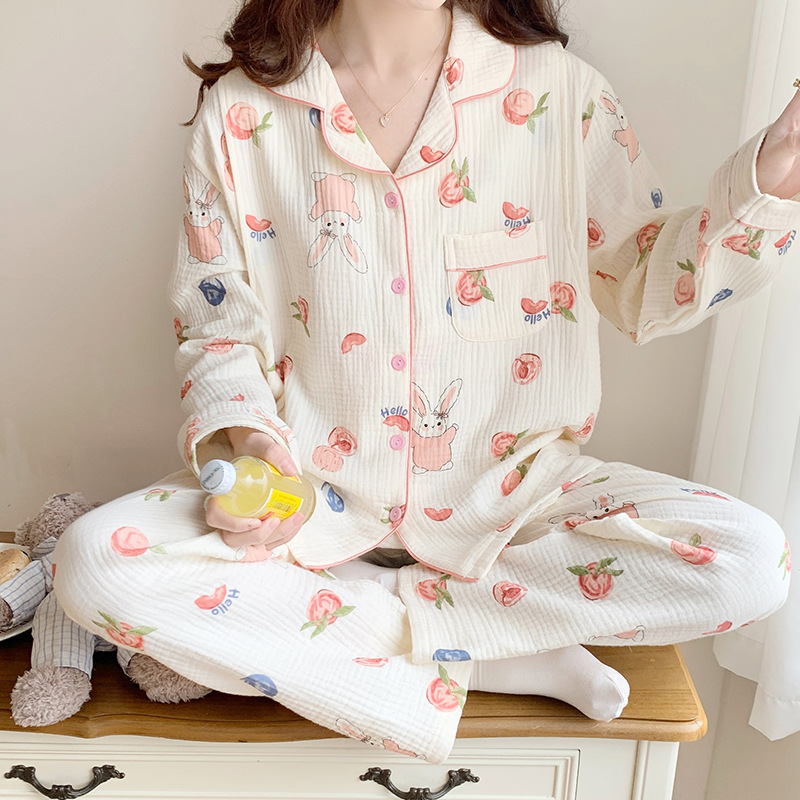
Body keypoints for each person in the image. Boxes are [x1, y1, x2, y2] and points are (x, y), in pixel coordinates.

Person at [53, 0, 799, 763]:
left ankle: (375, 627)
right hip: (309, 513)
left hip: (515, 508)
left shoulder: (559, 92)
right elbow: (219, 327)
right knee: (92, 565)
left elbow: (642, 285)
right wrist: (252, 442)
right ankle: (498, 656)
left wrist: (763, 189)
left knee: (753, 563)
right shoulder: (243, 111)